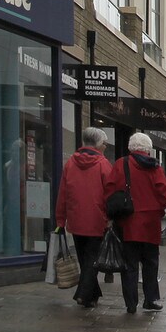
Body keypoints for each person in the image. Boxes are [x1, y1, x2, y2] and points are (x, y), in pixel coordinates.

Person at [106, 132, 166, 315]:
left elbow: (110, 190)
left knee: (129, 264)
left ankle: (131, 303)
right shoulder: (155, 167)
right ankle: (151, 299)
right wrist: (158, 209)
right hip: (150, 223)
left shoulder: (121, 164)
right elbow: (164, 194)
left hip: (128, 222)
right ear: (148, 149)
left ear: (130, 147)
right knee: (150, 262)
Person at [53, 126, 113, 309]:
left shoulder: (70, 163)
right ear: (97, 144)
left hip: (76, 220)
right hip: (97, 220)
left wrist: (60, 220)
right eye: (104, 143)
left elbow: (62, 194)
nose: (105, 147)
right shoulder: (103, 164)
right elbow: (110, 194)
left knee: (84, 259)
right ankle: (83, 294)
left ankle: (92, 296)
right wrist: (110, 217)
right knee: (92, 261)